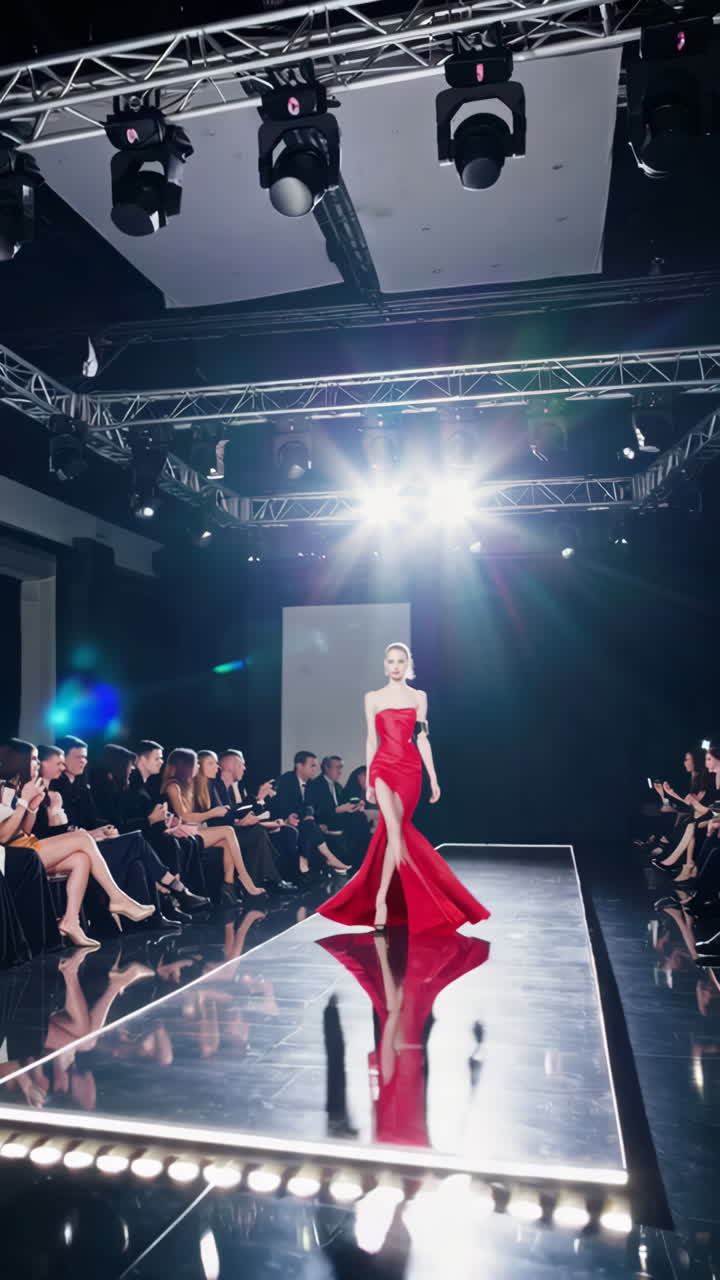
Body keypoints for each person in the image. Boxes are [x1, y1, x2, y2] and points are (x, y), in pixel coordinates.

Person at [317, 642, 491, 933]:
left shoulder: (418, 696)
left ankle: (382, 897)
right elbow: (371, 739)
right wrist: (371, 778)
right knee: (394, 830)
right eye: (391, 661)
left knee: (392, 831)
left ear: (408, 664)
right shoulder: (372, 697)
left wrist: (433, 777)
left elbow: (423, 738)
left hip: (410, 770)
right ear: (385, 665)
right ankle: (396, 899)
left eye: (401, 660)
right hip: (384, 766)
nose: (396, 665)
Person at [0, 739, 155, 948]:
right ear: (20, 761)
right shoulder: (4, 789)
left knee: (81, 859)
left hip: (26, 845)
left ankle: (71, 921)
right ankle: (117, 897)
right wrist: (24, 803)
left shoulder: (18, 787)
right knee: (83, 838)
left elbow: (23, 831)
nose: (36, 763)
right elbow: (3, 836)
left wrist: (32, 807)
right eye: (34, 759)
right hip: (16, 854)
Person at [160, 748, 266, 907]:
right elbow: (185, 816)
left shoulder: (192, 786)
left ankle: (228, 887)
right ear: (186, 766)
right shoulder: (173, 786)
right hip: (179, 833)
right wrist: (212, 813)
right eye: (195, 763)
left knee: (226, 841)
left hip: (193, 830)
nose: (197, 766)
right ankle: (245, 879)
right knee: (228, 831)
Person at [214, 750, 298, 893]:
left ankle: (259, 881)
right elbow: (227, 814)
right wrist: (256, 800)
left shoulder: (236, 787)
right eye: (242, 764)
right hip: (222, 833)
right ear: (231, 764)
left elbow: (244, 812)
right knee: (258, 832)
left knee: (267, 831)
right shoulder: (216, 786)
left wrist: (259, 799)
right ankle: (267, 880)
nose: (245, 768)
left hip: (236, 829)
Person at [271, 751, 351, 876]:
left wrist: (309, 815)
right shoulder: (287, 780)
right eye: (312, 765)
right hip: (282, 820)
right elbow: (280, 805)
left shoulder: (310, 784)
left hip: (300, 821)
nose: (315, 769)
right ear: (299, 766)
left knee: (310, 824)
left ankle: (306, 864)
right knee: (309, 826)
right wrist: (288, 817)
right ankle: (327, 859)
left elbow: (309, 806)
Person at [308, 755, 371, 868]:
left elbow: (343, 805)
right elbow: (318, 811)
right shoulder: (316, 785)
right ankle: (359, 863)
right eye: (337, 767)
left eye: (341, 768)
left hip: (338, 819)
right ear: (327, 768)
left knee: (359, 817)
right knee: (359, 820)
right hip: (325, 821)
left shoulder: (337, 786)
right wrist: (342, 809)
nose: (340, 772)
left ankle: (361, 862)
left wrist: (355, 806)